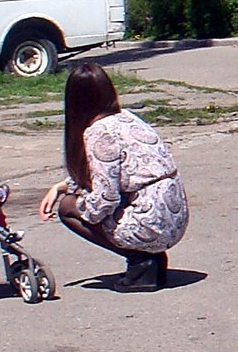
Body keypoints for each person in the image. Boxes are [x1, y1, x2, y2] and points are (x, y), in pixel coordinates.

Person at [38, 62, 188, 292]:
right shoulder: (127, 118)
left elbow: (105, 198)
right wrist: (62, 186)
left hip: (151, 223)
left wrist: (76, 200)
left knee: (68, 209)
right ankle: (151, 256)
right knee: (78, 199)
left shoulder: (99, 133)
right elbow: (117, 174)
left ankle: (140, 260)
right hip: (174, 218)